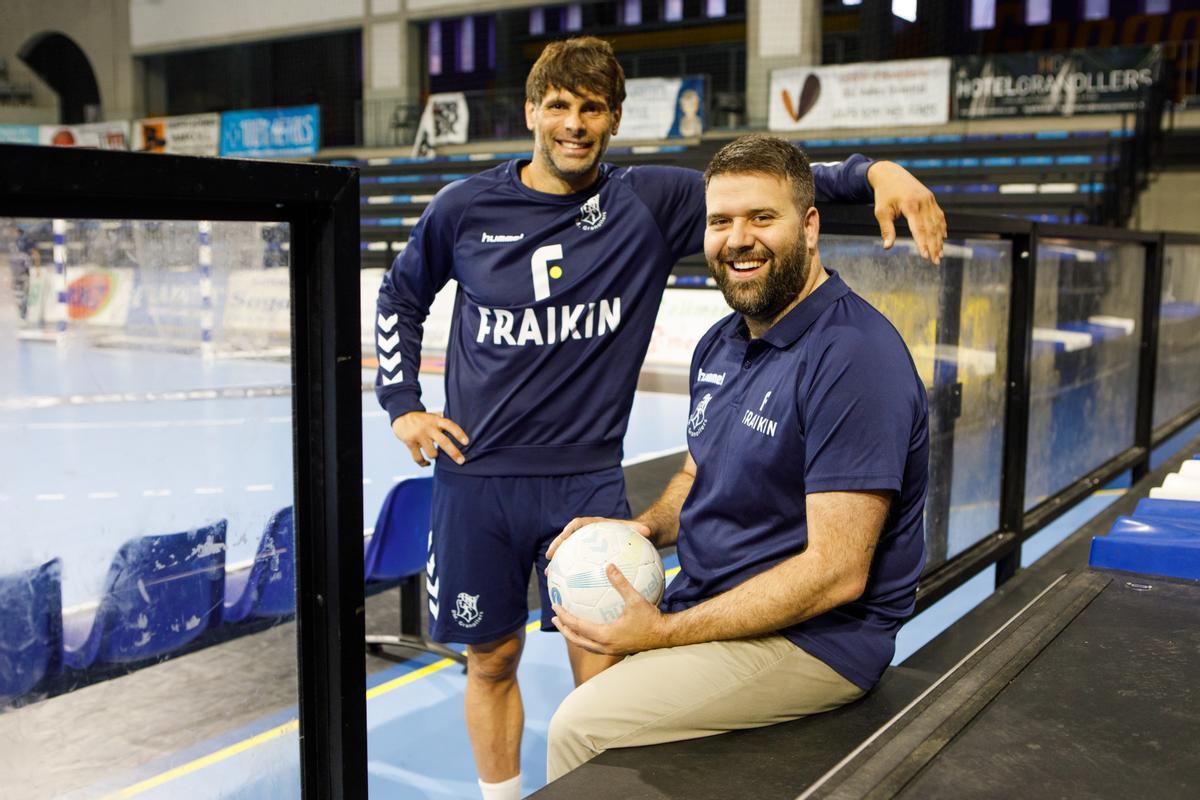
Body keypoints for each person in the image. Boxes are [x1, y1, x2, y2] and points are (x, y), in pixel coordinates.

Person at [374, 37, 943, 800]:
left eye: (593, 109)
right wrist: (403, 405)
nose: (575, 124)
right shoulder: (465, 207)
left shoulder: (648, 201)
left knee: (609, 669)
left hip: (586, 479)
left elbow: (775, 190)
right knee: (491, 659)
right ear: (532, 112)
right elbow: (400, 297)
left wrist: (876, 171)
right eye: (560, 106)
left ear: (613, 120)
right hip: (478, 477)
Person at [544, 133, 930, 780]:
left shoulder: (853, 355)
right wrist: (643, 528)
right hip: (716, 605)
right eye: (721, 221)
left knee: (579, 727)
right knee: (594, 654)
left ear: (809, 226)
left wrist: (665, 635)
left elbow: (837, 573)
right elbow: (700, 471)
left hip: (813, 643)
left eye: (761, 217)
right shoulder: (720, 344)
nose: (737, 238)